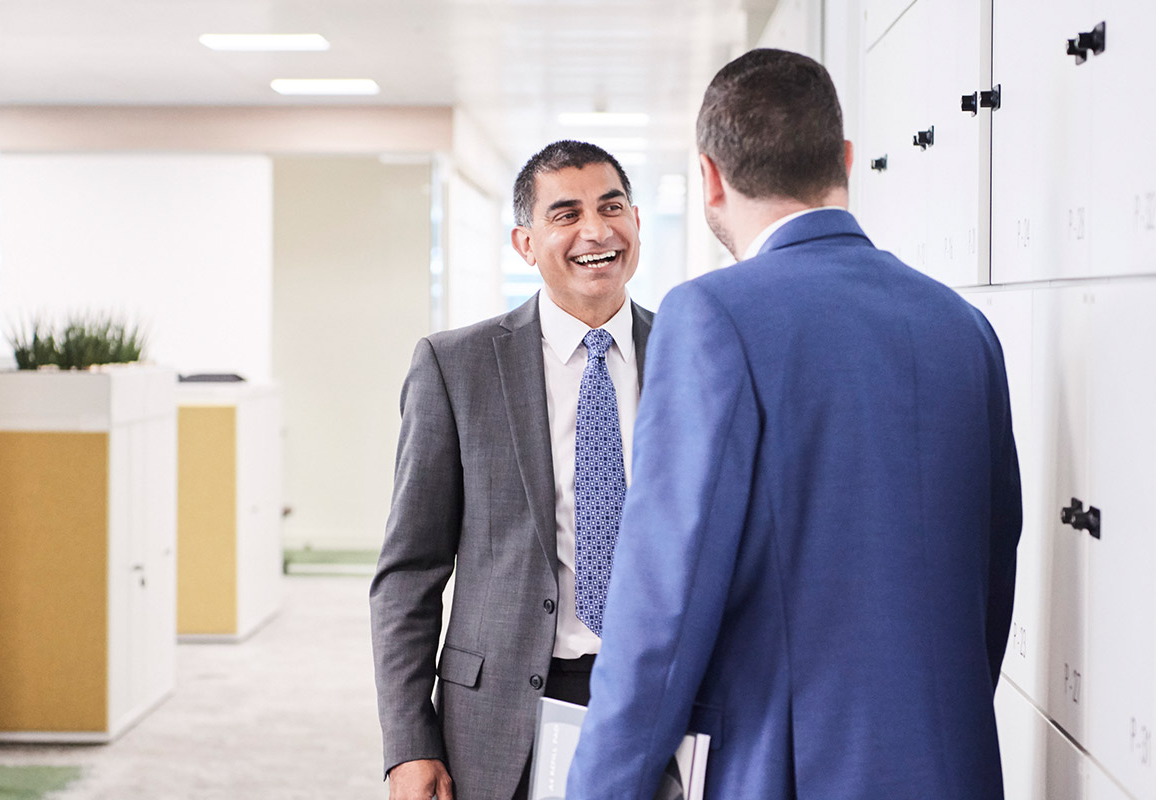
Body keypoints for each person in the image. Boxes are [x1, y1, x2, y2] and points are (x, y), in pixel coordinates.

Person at [565, 49, 1023, 799]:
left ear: (711, 177)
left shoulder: (711, 317)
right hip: (952, 764)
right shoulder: (962, 325)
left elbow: (661, 605)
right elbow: (991, 567)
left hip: (790, 770)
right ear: (844, 160)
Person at [370, 140, 654, 800]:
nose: (596, 230)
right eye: (566, 213)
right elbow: (408, 572)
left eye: (613, 207)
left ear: (637, 222)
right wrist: (409, 743)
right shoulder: (456, 366)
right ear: (525, 243)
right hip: (502, 711)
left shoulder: (692, 356)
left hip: (660, 697)